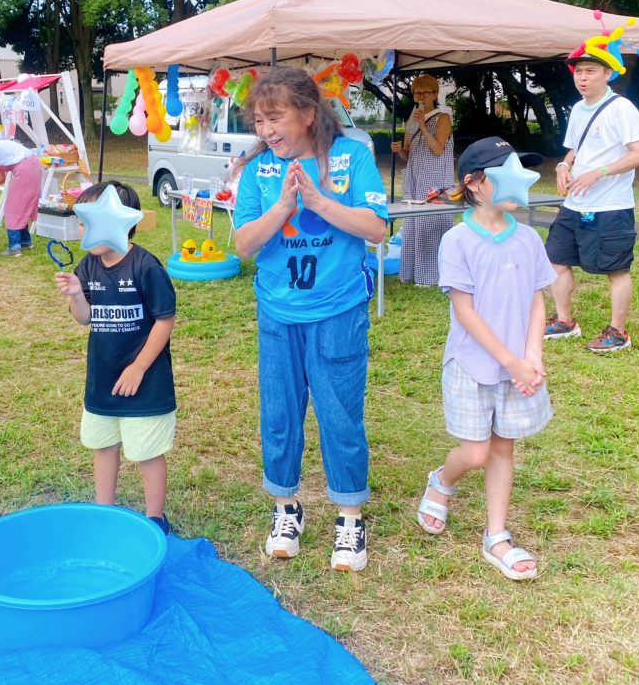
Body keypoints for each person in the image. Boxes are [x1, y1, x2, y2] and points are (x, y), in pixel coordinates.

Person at [233, 66, 389, 573]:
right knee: (278, 412)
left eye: (274, 118)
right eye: (259, 121)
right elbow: (243, 245)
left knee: (340, 411)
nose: (266, 130)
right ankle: (286, 508)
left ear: (307, 113)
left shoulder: (351, 156)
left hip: (338, 311)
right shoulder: (257, 171)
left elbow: (376, 229)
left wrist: (320, 201)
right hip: (278, 313)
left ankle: (349, 517)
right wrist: (283, 207)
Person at [416, 137, 554, 581]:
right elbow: (465, 311)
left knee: (502, 449)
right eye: (509, 169)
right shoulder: (457, 240)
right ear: (475, 184)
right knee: (475, 453)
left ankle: (497, 536)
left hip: (518, 368)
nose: (521, 177)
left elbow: (537, 302)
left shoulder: (529, 237)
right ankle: (442, 481)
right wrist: (510, 361)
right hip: (472, 366)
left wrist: (531, 356)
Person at [53, 182, 176, 535]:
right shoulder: (88, 266)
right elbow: (84, 318)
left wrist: (139, 367)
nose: (83, 231)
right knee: (103, 444)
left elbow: (165, 319)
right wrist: (76, 295)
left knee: (147, 450)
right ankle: (103, 511)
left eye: (90, 221)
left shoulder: (145, 266)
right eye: (81, 222)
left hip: (146, 382)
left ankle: (156, 520)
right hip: (102, 378)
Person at [544, 43, 639, 353]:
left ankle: (618, 332)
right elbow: (576, 149)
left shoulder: (622, 108)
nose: (583, 78)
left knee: (616, 269)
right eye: (579, 72)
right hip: (575, 204)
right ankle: (565, 321)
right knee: (556, 260)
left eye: (591, 71)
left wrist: (598, 172)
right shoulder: (578, 109)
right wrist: (564, 165)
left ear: (608, 74)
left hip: (610, 206)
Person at [390, 74, 455, 286]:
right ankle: (410, 273)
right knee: (412, 224)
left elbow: (437, 149)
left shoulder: (442, 117)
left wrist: (424, 128)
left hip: (436, 178)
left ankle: (431, 276)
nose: (421, 97)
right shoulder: (412, 120)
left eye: (426, 93)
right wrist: (400, 151)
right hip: (415, 177)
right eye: (418, 93)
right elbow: (410, 154)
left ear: (435, 94)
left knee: (431, 224)